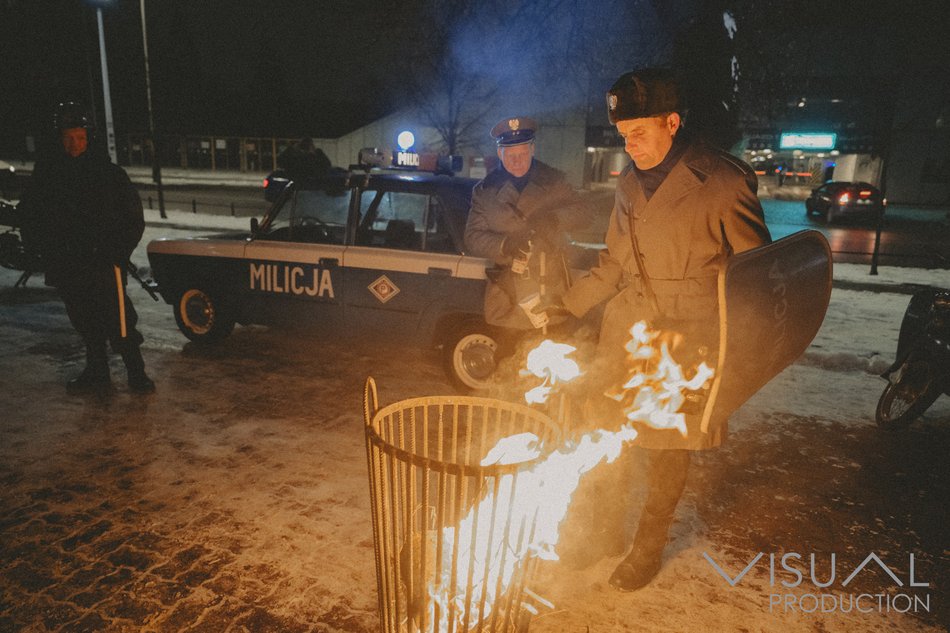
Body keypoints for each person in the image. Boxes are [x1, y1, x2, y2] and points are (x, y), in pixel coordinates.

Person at [555, 68, 772, 591]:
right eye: (623, 136)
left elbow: (758, 274)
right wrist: (567, 307)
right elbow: (614, 262)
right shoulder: (629, 184)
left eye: (640, 133)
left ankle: (646, 550)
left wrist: (738, 350)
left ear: (672, 122)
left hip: (684, 344)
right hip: (625, 334)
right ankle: (605, 533)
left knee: (665, 453)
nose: (630, 147)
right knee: (610, 437)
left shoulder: (721, 181)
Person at [19, 101, 155, 395]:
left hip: (104, 264)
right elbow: (30, 215)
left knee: (120, 320)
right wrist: (40, 248)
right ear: (58, 138)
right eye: (68, 137)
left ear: (89, 137)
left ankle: (136, 372)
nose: (74, 144)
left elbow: (133, 219)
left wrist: (117, 251)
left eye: (80, 137)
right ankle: (97, 371)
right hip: (67, 264)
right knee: (84, 320)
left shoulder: (109, 175)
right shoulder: (47, 177)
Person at [464, 116, 590, 331]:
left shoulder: (553, 181)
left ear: (532, 149)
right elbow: (473, 237)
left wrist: (554, 220)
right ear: (499, 153)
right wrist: (505, 244)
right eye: (510, 155)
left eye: (522, 153)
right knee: (507, 359)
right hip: (508, 294)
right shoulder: (485, 191)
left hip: (548, 287)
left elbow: (585, 213)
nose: (517, 161)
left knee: (553, 356)